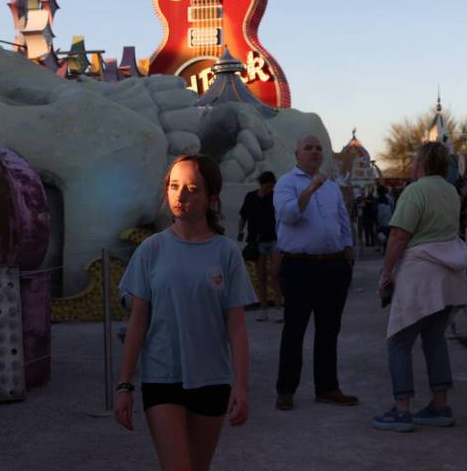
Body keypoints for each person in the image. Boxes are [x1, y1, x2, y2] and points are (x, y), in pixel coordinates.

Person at [115, 154, 255, 471]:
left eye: (192, 188)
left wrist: (242, 387)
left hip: (212, 380)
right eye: (174, 186)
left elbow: (236, 328)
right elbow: (137, 322)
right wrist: (124, 385)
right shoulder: (150, 250)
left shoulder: (227, 252)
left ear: (211, 199)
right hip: (161, 377)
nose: (181, 196)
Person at [374, 142, 467, 432]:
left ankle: (402, 410)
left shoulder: (416, 190)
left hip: (420, 276)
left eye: (415, 159)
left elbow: (398, 236)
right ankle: (440, 405)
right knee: (434, 339)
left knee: (399, 341)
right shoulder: (450, 191)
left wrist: (386, 273)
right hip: (448, 277)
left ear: (423, 163)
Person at [273, 135, 356, 411]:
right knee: (295, 329)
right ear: (296, 154)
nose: (314, 152)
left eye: (318, 148)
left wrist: (347, 249)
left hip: (332, 267)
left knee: (329, 330)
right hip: (299, 267)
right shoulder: (286, 183)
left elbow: (343, 222)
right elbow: (288, 216)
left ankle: (327, 387)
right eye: (308, 147)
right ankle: (286, 390)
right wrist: (310, 189)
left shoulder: (332, 188)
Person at [237, 171, 282, 322]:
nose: (270, 189)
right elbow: (243, 216)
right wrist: (240, 232)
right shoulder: (250, 197)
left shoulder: (275, 197)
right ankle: (263, 310)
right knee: (261, 277)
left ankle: (278, 308)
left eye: (272, 187)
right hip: (257, 242)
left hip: (274, 240)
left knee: (276, 275)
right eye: (268, 187)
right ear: (261, 185)